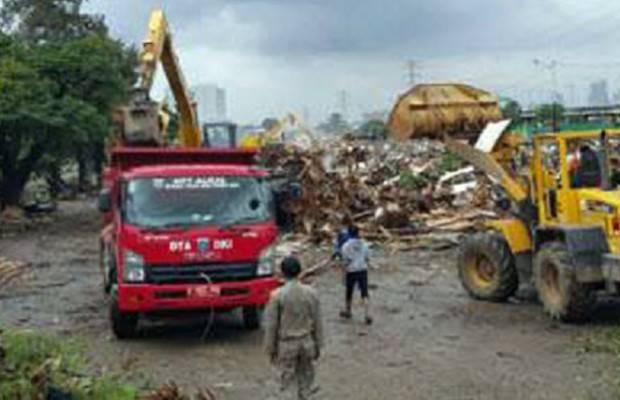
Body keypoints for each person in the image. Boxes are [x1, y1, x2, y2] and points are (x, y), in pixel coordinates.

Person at [264, 256, 324, 400]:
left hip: (287, 345)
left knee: (286, 383)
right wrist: (318, 345)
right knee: (306, 381)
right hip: (306, 342)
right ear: (299, 271)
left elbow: (271, 325)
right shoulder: (311, 293)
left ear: (282, 272)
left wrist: (270, 349)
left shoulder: (277, 295)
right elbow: (317, 321)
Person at [340, 225, 373, 325]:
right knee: (364, 293)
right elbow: (367, 259)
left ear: (349, 233)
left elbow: (345, 261)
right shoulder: (365, 245)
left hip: (351, 270)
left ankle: (348, 310)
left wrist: (343, 274)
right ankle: (367, 314)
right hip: (362, 270)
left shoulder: (346, 246)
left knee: (349, 292)